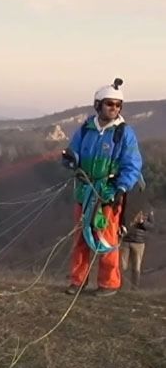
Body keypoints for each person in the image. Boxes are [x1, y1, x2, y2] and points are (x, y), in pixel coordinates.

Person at [61, 78, 143, 296]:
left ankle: (108, 283)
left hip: (108, 192)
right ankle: (77, 281)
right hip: (84, 190)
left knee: (106, 237)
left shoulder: (124, 133)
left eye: (117, 105)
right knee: (81, 238)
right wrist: (71, 160)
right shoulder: (86, 129)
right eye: (109, 104)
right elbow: (74, 151)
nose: (113, 108)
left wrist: (121, 189)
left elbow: (132, 165)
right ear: (98, 105)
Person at [120, 208, 154, 289]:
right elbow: (120, 219)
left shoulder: (148, 208)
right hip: (125, 240)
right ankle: (119, 285)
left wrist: (143, 222)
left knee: (136, 266)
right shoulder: (128, 205)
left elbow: (152, 226)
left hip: (139, 242)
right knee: (122, 265)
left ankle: (134, 288)